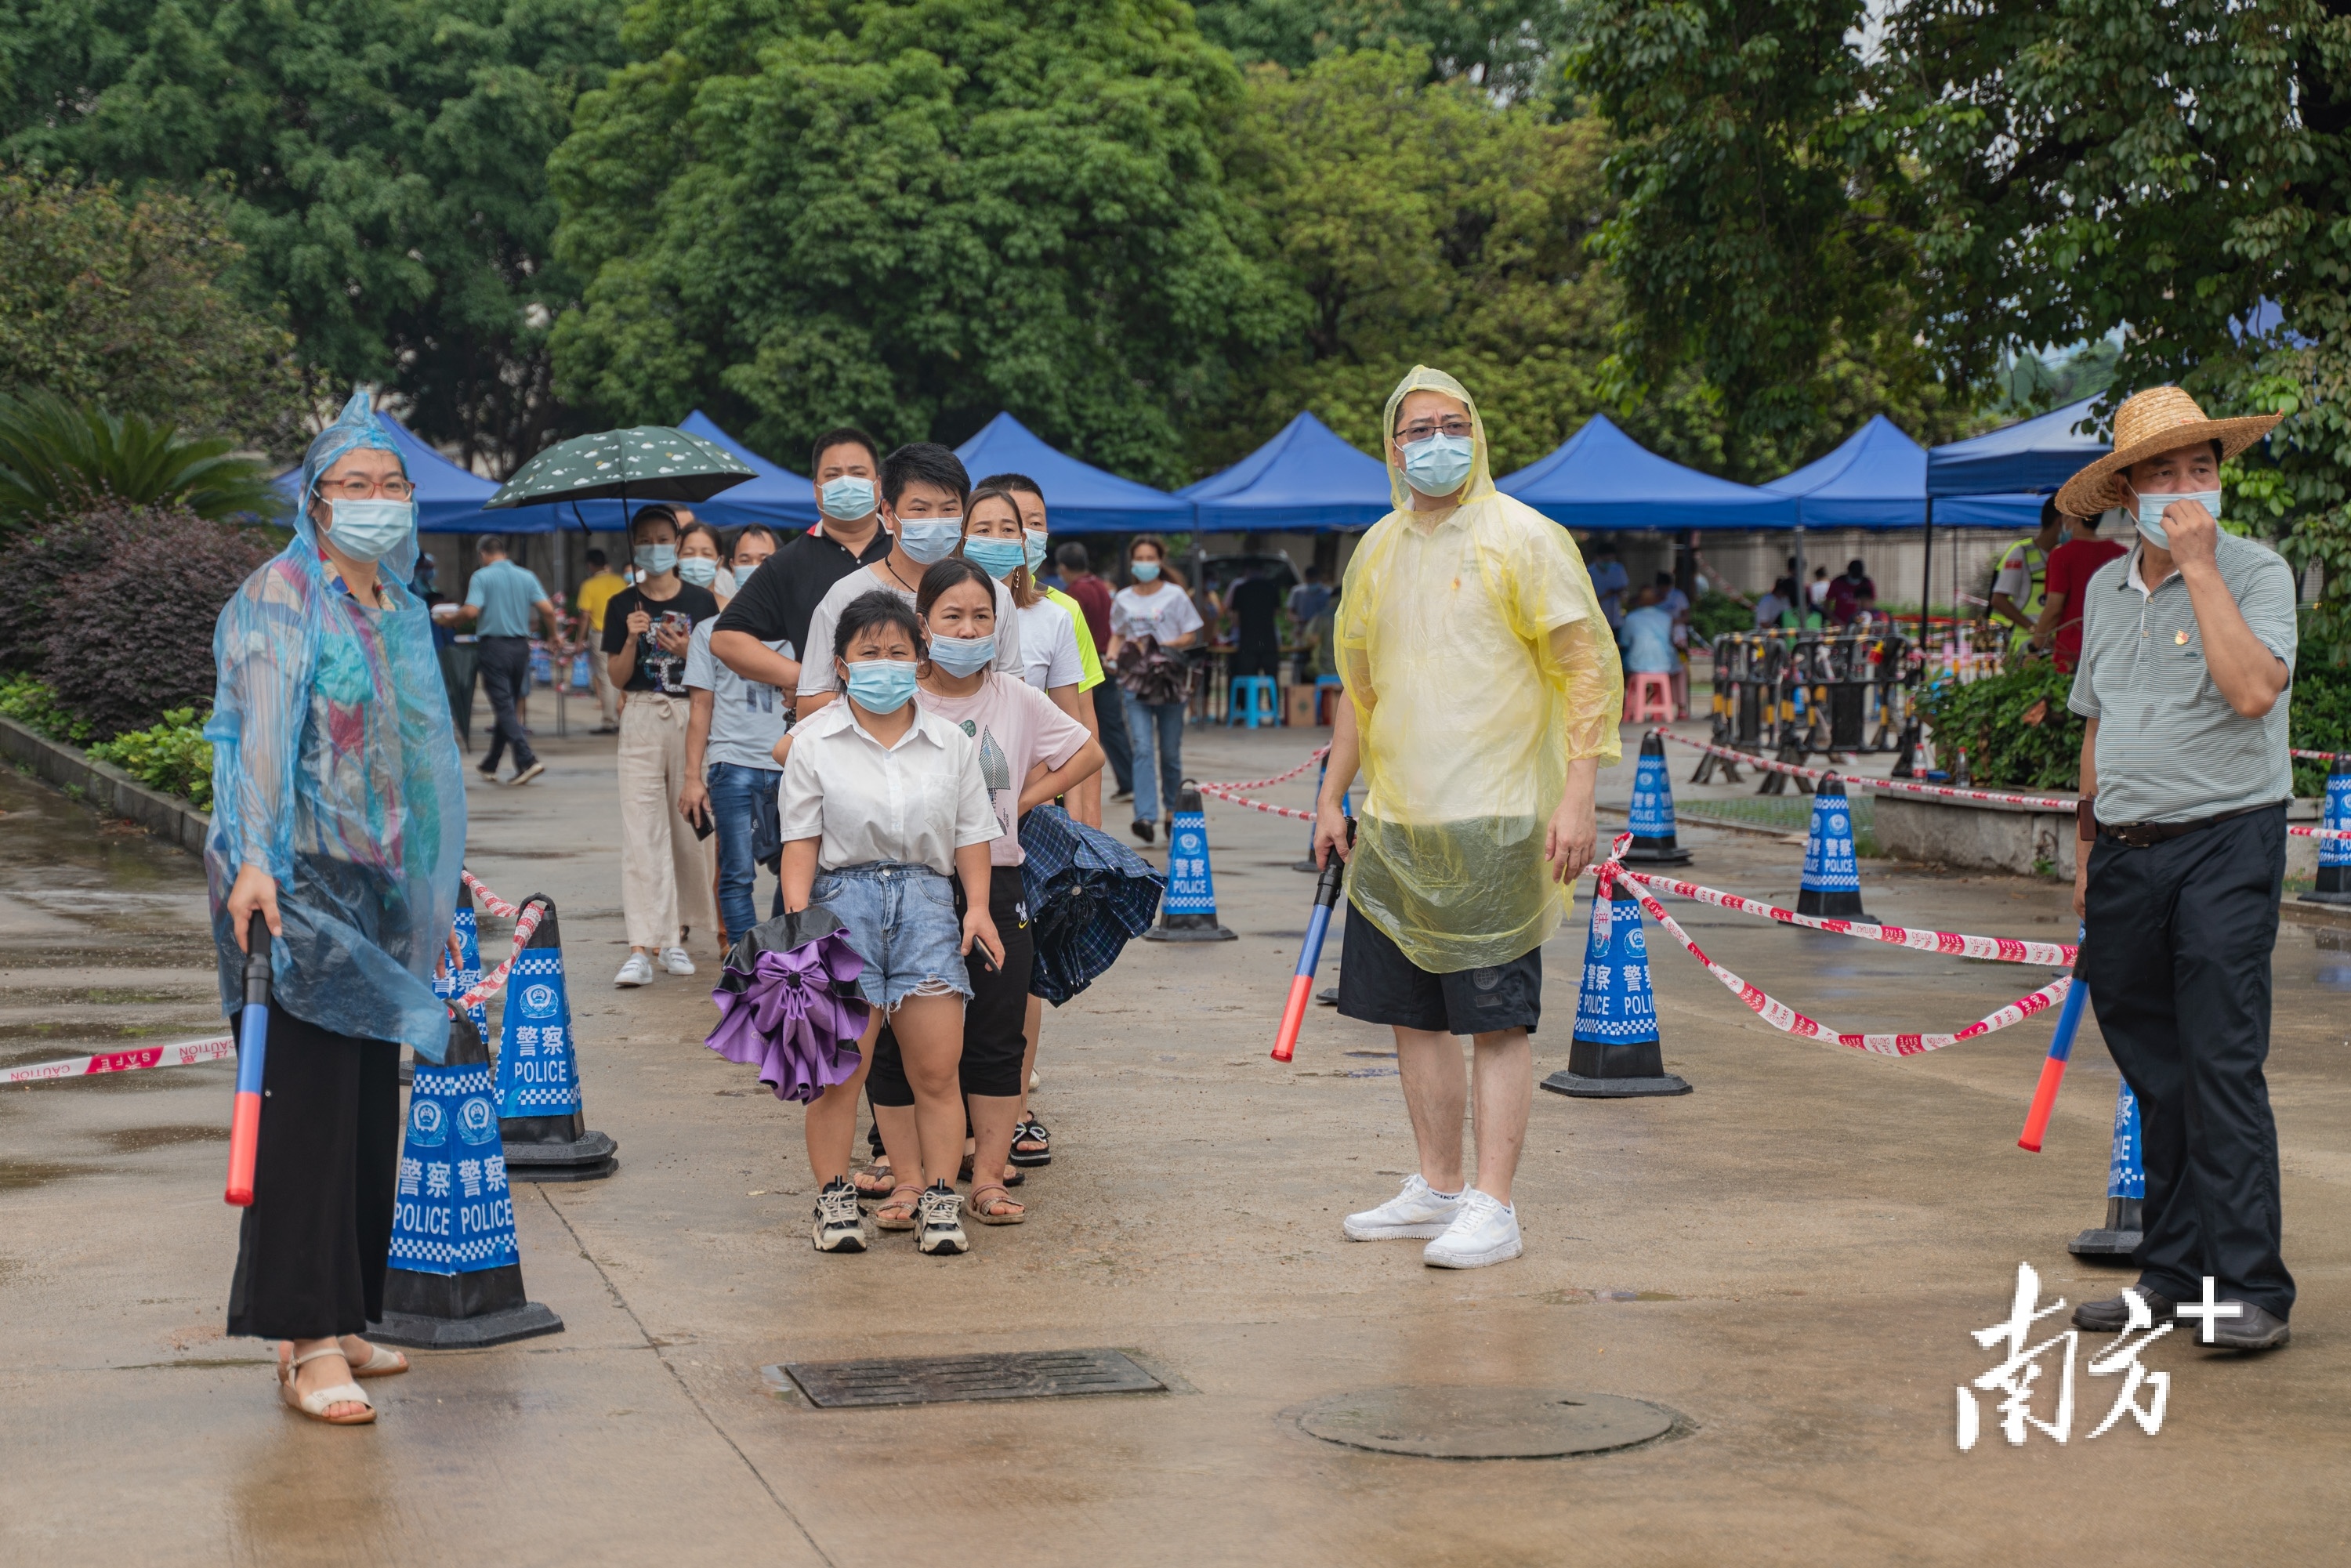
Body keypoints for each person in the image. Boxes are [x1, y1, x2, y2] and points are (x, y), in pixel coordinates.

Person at [1318, 365, 1618, 1271]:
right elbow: (1360, 688)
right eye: (1416, 429)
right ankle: (1438, 1186)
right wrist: (1334, 796)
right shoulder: (1377, 548)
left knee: (1496, 1020)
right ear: (1393, 446)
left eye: (1452, 424)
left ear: (1478, 434)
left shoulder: (1525, 538)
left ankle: (1495, 1203)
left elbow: (1586, 670)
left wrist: (1577, 793)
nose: (1435, 442)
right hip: (1400, 820)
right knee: (1413, 1015)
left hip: (1494, 817)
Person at [208, 390, 466, 1424]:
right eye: (351, 486)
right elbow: (256, 738)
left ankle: (348, 1310)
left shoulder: (398, 607)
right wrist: (257, 862)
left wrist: (434, 887)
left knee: (365, 1115)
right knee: (304, 1123)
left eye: (388, 485)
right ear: (315, 503)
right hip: (295, 887)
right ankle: (306, 1340)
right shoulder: (281, 596)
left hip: (377, 892)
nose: (373, 500)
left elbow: (420, 757)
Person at [2056, 385, 2295, 1353]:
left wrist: (2200, 569)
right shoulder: (2105, 592)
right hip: (2124, 855)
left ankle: (2252, 1288)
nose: (2188, 487)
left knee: (2221, 1065)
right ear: (2127, 492)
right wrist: (2083, 853)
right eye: (2165, 473)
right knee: (2156, 1072)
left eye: (2203, 468)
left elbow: (2250, 692)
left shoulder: (2257, 572)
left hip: (2227, 844)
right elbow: (2100, 726)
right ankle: (2173, 1274)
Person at [861, 559, 1102, 1228]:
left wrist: (1021, 801)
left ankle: (988, 1178)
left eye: (982, 617)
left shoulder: (1018, 697)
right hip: (909, 884)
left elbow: (1086, 751)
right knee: (896, 1039)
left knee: (998, 1031)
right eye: (952, 616)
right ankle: (909, 1180)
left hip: (997, 883)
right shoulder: (898, 694)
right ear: (923, 624)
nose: (968, 629)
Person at [777, 589, 1005, 1256]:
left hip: (929, 907)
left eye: (897, 651)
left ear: (919, 656)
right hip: (838, 907)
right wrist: (800, 923)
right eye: (868, 652)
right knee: (839, 1075)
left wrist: (980, 908)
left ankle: (939, 1200)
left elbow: (972, 835)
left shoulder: (950, 743)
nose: (884, 663)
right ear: (842, 665)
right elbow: (801, 842)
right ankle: (833, 1202)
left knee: (937, 1069)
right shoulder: (813, 742)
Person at [794, 444, 1022, 718]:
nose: (935, 521)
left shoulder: (993, 596)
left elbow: (1014, 699)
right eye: (920, 509)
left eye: (949, 509)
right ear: (889, 513)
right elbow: (811, 704)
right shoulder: (847, 595)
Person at [603, 505, 723, 986]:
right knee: (640, 831)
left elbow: (715, 671)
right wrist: (632, 641)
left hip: (690, 718)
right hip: (641, 716)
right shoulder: (620, 604)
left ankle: (677, 938)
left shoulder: (703, 601)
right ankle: (641, 944)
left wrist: (685, 650)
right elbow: (616, 676)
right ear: (634, 545)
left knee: (690, 831)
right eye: (644, 538)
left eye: (662, 537)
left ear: (676, 543)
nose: (654, 546)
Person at [710, 426, 897, 697]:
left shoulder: (907, 549)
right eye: (833, 475)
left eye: (857, 473)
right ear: (817, 489)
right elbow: (726, 639)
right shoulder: (788, 562)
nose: (845, 482)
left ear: (878, 485)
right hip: (820, 721)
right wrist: (804, 679)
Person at [679, 525, 791, 947]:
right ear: (729, 566)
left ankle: (781, 955)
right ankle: (745, 963)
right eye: (745, 559)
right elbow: (700, 707)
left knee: (797, 867)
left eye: (765, 559)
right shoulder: (710, 631)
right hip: (732, 766)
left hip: (788, 765)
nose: (755, 567)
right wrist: (694, 777)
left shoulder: (801, 628)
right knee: (736, 871)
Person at [984, 472, 1109, 827]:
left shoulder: (1061, 611)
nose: (1019, 535)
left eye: (1034, 523)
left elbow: (1082, 722)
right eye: (1009, 523)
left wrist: (1087, 824)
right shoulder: (940, 606)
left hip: (1037, 801)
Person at [1106, 534, 1202, 843]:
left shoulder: (1175, 596)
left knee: (1170, 752)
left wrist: (1161, 647)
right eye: (1140, 559)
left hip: (1170, 681)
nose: (1145, 564)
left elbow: (1191, 635)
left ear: (1160, 561)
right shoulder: (1123, 599)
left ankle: (1173, 810)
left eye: (1151, 558)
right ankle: (1144, 816)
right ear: (1132, 563)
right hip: (1136, 681)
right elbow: (1118, 634)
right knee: (1143, 749)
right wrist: (1111, 656)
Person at [452, 534, 561, 786]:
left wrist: (450, 619)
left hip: (494, 647)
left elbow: (471, 610)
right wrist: (554, 634)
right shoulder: (526, 576)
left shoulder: (482, 577)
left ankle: (527, 758)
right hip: (520, 648)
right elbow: (547, 609)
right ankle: (491, 763)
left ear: (483, 554)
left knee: (503, 705)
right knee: (508, 704)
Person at [1057, 541, 1133, 806]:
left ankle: (1077, 789)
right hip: (1105, 664)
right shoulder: (1101, 586)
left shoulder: (1074, 594)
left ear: (1064, 568)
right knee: (1112, 727)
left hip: (1083, 667)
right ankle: (1128, 781)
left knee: (1079, 728)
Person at [2028, 507, 2128, 671]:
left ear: (2073, 517)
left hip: (2072, 654)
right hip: (2114, 651)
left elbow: (2054, 608)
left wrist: (2035, 647)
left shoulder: (2062, 555)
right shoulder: (2121, 554)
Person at [1989, 499, 2068, 655]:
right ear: (2060, 523)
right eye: (2073, 521)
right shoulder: (2021, 553)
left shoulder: (2065, 555)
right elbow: (1998, 599)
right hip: (2027, 645)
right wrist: (2035, 630)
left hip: (2058, 646)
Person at [574, 549, 628, 733]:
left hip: (601, 633)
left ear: (590, 565)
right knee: (624, 676)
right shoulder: (620, 581)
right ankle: (624, 718)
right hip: (624, 632)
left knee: (605, 677)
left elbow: (585, 615)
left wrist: (579, 640)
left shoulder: (588, 585)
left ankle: (609, 720)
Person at [1618, 586, 1679, 681]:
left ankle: (1633, 692)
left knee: (1622, 661)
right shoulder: (1666, 618)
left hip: (1637, 665)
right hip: (1664, 664)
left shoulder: (1631, 618)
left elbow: (1624, 642)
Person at [676, 519, 737, 607]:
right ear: (677, 560)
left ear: (719, 562)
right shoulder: (664, 606)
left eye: (706, 554)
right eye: (688, 553)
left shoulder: (730, 611)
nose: (697, 561)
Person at [1586, 540, 1629, 629]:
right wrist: (1605, 596)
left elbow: (1624, 590)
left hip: (1616, 619)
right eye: (1605, 560)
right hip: (1597, 621)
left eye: (1610, 560)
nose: (1608, 562)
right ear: (1597, 557)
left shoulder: (1618, 569)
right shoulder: (1589, 572)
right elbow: (1587, 599)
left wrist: (1621, 594)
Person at [1825, 559, 1875, 627]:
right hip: (1839, 625)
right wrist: (1836, 621)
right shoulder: (1838, 582)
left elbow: (1871, 605)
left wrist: (1865, 619)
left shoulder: (1866, 584)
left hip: (1860, 625)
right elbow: (1827, 605)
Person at [1288, 564, 1332, 632]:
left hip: (1320, 630)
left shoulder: (1328, 593)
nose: (1312, 583)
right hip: (1301, 630)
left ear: (1320, 579)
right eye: (1310, 581)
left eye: (1314, 581)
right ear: (1306, 578)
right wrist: (1298, 620)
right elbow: (1289, 613)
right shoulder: (1297, 592)